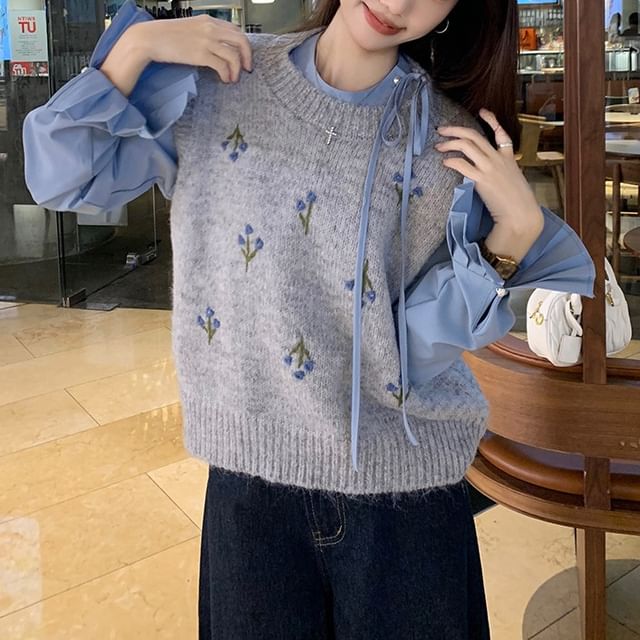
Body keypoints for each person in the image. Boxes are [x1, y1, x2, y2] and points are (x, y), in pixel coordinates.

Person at [22, 0, 595, 637]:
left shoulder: (447, 144)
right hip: (250, 487)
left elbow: (411, 354)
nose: (398, 3)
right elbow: (61, 180)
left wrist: (513, 235)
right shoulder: (217, 81)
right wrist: (134, 51)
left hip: (403, 498)